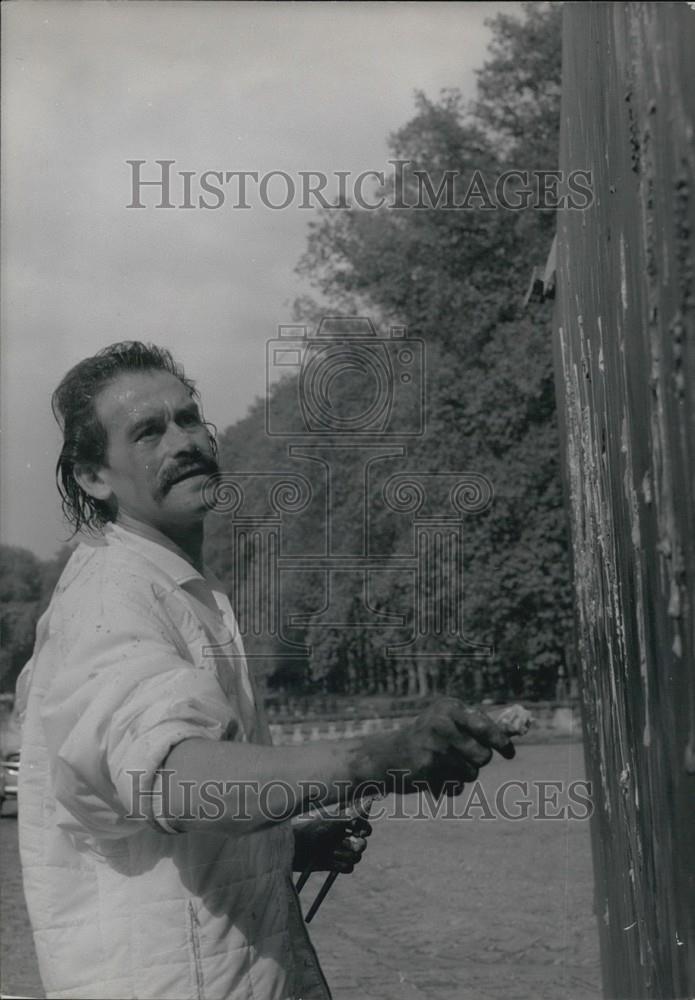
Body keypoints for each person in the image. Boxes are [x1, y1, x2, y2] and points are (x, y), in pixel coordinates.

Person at [17, 342, 516, 1000]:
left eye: (188, 418)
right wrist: (378, 757)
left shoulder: (171, 586)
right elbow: (173, 781)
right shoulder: (111, 598)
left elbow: (147, 811)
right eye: (147, 431)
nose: (184, 441)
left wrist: (282, 844)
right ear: (92, 477)